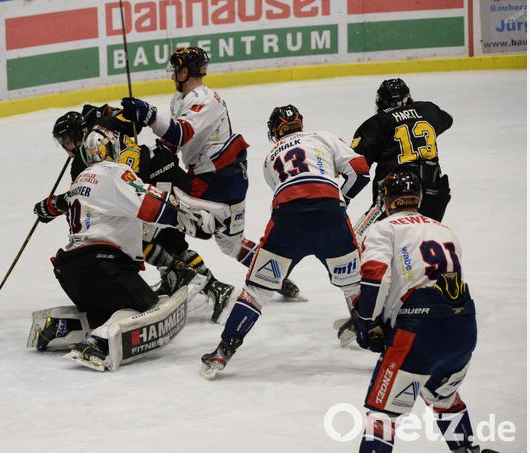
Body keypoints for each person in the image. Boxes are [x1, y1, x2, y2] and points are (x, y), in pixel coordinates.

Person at [199, 104, 371, 379]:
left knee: (256, 292)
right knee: (354, 286)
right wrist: (340, 200)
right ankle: (379, 341)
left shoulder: (270, 157)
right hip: (331, 217)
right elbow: (360, 172)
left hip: (288, 221)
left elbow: (288, 189)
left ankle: (223, 352)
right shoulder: (323, 137)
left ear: (274, 131)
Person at [120, 46, 301, 300]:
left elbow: (180, 133)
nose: (172, 76)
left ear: (186, 70)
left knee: (166, 210)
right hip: (209, 177)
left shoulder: (206, 100)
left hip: (222, 180)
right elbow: (170, 146)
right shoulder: (179, 100)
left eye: (176, 70)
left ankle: (187, 270)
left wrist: (148, 115)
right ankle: (275, 277)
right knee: (230, 244)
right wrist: (143, 154)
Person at [34, 106, 235, 325]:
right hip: (156, 177)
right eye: (63, 142)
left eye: (69, 140)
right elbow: (127, 117)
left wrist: (53, 206)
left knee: (149, 239)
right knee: (147, 239)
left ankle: (212, 286)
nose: (67, 146)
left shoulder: (86, 161)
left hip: (158, 183)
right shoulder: (104, 128)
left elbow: (88, 196)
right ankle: (178, 276)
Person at [38, 126, 214, 371]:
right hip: (103, 266)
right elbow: (150, 205)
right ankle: (98, 345)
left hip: (68, 271)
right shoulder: (115, 173)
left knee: (107, 310)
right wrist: (188, 219)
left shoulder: (81, 180)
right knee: (144, 309)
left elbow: (61, 202)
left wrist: (47, 206)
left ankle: (61, 327)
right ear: (112, 149)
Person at [349, 171, 491, 453]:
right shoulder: (444, 229)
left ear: (386, 200)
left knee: (383, 413)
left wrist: (366, 321)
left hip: (420, 330)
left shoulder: (384, 228)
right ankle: (466, 449)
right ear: (419, 199)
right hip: (464, 326)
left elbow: (377, 278)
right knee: (443, 396)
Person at [352, 78, 453, 221]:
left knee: (373, 238)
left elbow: (356, 165)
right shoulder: (429, 110)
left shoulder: (377, 123)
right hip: (435, 191)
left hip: (396, 194)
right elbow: (448, 120)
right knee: (425, 235)